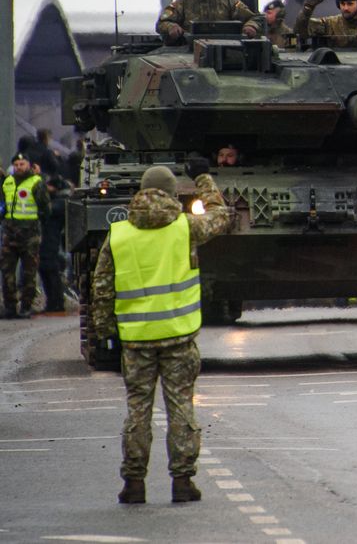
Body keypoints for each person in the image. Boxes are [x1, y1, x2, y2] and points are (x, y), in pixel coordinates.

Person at [91, 155, 236, 505]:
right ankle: (183, 481)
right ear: (172, 193)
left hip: (136, 341)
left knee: (138, 410)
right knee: (181, 408)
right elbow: (221, 215)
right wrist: (202, 177)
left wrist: (105, 332)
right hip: (178, 337)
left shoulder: (119, 234)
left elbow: (102, 288)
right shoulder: (186, 228)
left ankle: (134, 483)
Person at [2, 153, 51, 319]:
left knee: (29, 272)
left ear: (28, 165)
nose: (19, 167)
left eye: (22, 164)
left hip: (30, 235)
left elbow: (45, 208)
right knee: (7, 271)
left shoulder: (36, 182)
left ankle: (26, 306)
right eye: (16, 164)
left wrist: (36, 225)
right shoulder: (7, 182)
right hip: (10, 234)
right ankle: (10, 307)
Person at [38, 175, 68, 314]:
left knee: (51, 269)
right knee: (45, 270)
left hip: (51, 240)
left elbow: (50, 210)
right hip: (46, 239)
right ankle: (52, 302)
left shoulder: (61, 202)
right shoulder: (55, 201)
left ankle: (57, 302)